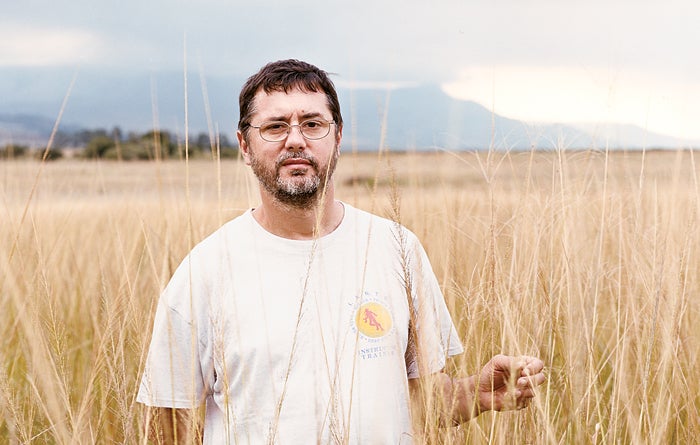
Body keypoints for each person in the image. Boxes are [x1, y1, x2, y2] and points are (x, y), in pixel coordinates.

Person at [137, 59, 546, 444]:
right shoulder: (202, 274)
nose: (295, 139)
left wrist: (477, 394)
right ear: (245, 145)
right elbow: (167, 430)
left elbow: (423, 401)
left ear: (338, 137)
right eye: (275, 126)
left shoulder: (397, 249)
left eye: (312, 124)